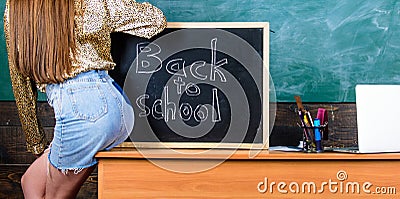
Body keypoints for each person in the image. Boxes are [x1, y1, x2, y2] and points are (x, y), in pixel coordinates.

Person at [3, 0, 166, 198]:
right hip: (115, 107)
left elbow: (20, 81)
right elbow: (155, 19)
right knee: (30, 183)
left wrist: (36, 141)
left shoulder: (15, 8)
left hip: (84, 112)